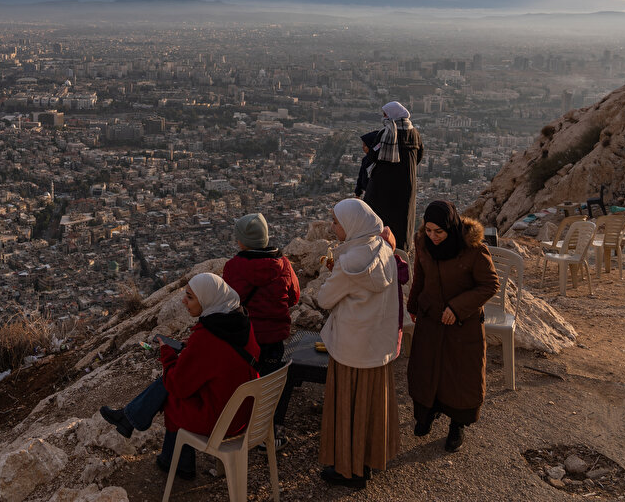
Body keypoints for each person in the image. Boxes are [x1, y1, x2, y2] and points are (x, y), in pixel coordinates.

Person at [99, 274, 259, 480]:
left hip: (224, 420)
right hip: (245, 410)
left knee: (171, 394)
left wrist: (167, 353)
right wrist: (192, 347)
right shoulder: (239, 321)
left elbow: (177, 385)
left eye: (190, 297)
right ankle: (137, 427)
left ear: (208, 300)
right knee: (171, 385)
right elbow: (220, 358)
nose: (184, 300)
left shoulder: (208, 337)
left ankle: (175, 460)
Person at [317, 198, 401, 488]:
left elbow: (324, 299)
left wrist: (330, 275)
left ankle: (348, 471)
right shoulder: (383, 249)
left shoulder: (350, 261)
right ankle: (367, 461)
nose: (333, 226)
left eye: (337, 222)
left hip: (351, 346)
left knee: (348, 407)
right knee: (370, 406)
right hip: (376, 344)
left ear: (352, 224)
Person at [407, 200, 499, 453]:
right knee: (427, 369)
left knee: (459, 376)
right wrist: (413, 307)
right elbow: (420, 277)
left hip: (462, 325)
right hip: (430, 319)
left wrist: (457, 308)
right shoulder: (423, 243)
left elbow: (490, 284)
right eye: (428, 230)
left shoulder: (473, 249)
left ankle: (457, 425)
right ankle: (426, 415)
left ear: (451, 227)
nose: (433, 237)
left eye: (439, 232)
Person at [221, 212, 300, 437]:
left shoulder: (234, 267)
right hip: (275, 338)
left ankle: (240, 427)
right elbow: (294, 297)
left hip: (246, 338)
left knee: (244, 384)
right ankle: (270, 431)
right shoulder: (283, 264)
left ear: (241, 241)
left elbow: (228, 302)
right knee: (270, 386)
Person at [362, 101, 423, 244]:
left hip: (383, 183)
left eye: (385, 114)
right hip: (406, 183)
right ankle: (401, 249)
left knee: (378, 215)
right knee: (403, 217)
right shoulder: (415, 133)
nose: (384, 117)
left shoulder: (386, 133)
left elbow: (373, 155)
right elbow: (419, 155)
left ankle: (376, 247)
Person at [354, 130, 379, 198]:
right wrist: (358, 193)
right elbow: (361, 176)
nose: (362, 147)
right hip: (367, 193)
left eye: (365, 145)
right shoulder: (365, 159)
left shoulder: (379, 162)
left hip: (376, 195)